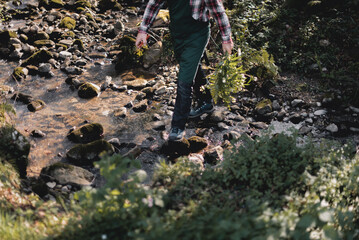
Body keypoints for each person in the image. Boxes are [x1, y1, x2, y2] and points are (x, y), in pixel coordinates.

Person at [136, 0, 233, 141]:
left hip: (197, 35)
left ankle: (178, 126)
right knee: (192, 66)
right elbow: (154, 4)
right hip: (177, 34)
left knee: (184, 80)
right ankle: (206, 102)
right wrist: (143, 30)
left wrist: (226, 39)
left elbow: (218, 10)